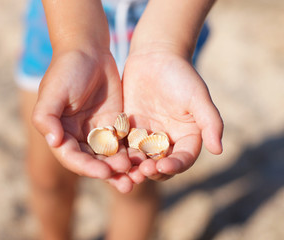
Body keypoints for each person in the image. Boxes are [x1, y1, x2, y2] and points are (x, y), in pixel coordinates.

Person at [17, 0, 223, 239]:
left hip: (170, 22)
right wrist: (76, 44)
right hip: (61, 24)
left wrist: (166, 43)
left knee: (136, 186)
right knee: (47, 176)